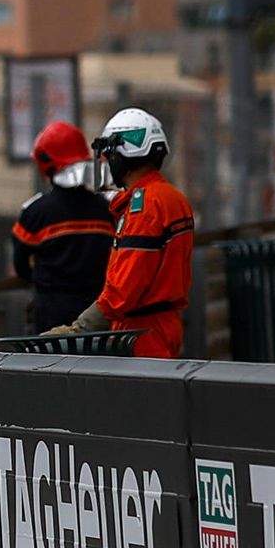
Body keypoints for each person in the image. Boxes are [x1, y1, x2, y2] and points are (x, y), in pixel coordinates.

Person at [75, 105, 194, 360]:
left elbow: (128, 283)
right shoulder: (172, 197)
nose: (107, 161)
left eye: (110, 153)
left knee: (142, 398)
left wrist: (83, 326)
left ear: (124, 154)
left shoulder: (144, 207)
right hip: (164, 324)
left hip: (141, 332)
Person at [6, 119, 113, 336]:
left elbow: (20, 265)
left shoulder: (35, 213)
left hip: (51, 313)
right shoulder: (106, 209)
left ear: (45, 163)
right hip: (97, 314)